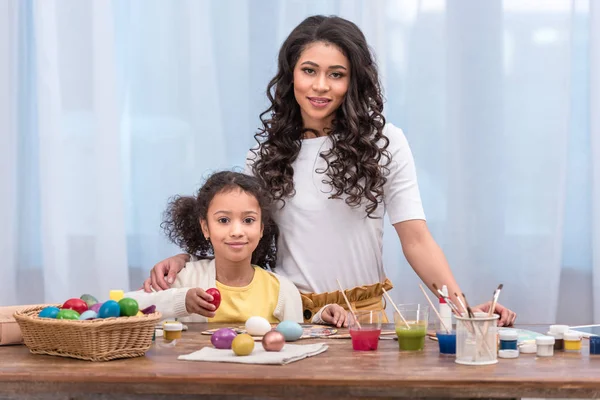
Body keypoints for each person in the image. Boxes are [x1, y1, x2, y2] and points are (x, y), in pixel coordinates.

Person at [143, 15, 517, 326]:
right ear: (291, 75)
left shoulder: (384, 142)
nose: (321, 86)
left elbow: (416, 239)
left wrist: (463, 310)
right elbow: (245, 235)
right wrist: (188, 260)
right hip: (286, 317)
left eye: (336, 74)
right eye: (309, 71)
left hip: (362, 319)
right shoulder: (264, 153)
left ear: (353, 80)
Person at [127, 170, 347, 325]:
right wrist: (180, 301)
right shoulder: (185, 279)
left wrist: (322, 318)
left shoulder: (281, 289)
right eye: (223, 220)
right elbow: (127, 305)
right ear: (205, 227)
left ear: (262, 228)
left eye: (248, 220)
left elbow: (296, 336)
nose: (237, 231)